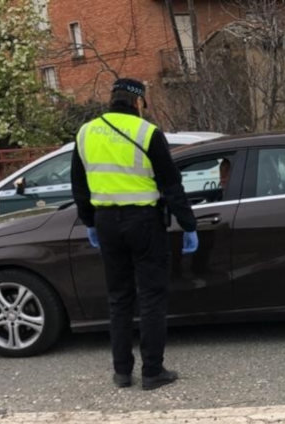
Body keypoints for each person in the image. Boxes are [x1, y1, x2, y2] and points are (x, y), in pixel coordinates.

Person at [71, 78, 199, 391]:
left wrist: (89, 221)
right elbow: (171, 185)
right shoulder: (147, 132)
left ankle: (122, 372)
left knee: (119, 298)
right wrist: (188, 224)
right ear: (138, 102)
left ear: (112, 99)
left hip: (106, 222)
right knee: (152, 296)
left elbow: (78, 184)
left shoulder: (86, 133)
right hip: (143, 221)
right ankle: (153, 371)